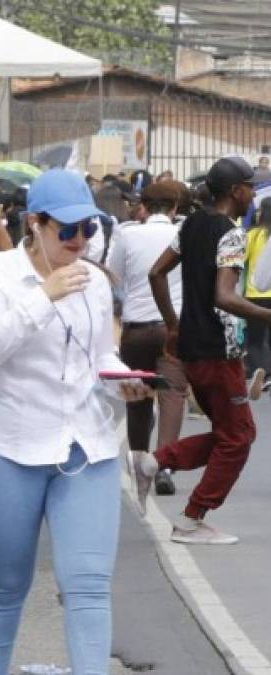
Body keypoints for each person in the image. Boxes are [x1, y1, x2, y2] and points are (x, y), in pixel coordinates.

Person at [0, 169, 153, 674]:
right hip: (7, 447)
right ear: (34, 224)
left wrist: (123, 381)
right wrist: (42, 296)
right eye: (66, 230)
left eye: (88, 230)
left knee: (89, 586)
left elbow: (101, 355)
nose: (79, 241)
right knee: (4, 589)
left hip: (84, 448)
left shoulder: (92, 281)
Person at [143, 156, 265, 544]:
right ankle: (191, 518)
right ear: (235, 191)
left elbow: (156, 272)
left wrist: (175, 325)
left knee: (232, 433)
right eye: (249, 186)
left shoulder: (191, 224)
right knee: (239, 439)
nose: (252, 195)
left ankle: (154, 462)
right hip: (218, 349)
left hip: (193, 347)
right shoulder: (231, 233)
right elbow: (224, 297)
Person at [106, 181, 190, 497]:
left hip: (136, 328)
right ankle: (164, 465)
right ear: (174, 207)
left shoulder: (127, 235)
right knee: (173, 395)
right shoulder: (182, 235)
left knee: (138, 396)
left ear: (143, 205)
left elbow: (114, 278)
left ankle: (140, 461)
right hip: (173, 327)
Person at [243, 197, 271, 394]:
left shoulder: (253, 235)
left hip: (255, 294)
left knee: (255, 338)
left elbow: (240, 259)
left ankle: (262, 370)